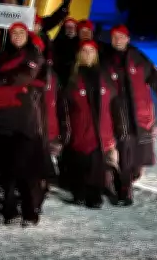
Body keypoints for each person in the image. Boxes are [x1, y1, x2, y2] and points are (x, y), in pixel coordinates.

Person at [101, 25, 157, 205]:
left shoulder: (139, 59)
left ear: (128, 39)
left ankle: (125, 180)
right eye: (114, 37)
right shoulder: (106, 60)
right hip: (117, 114)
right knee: (124, 152)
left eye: (121, 37)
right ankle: (124, 191)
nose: (118, 40)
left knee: (137, 159)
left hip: (139, 115)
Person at [0, 22, 46, 226]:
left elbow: (22, 77)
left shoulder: (33, 55)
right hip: (2, 118)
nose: (17, 36)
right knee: (7, 167)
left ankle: (29, 210)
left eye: (21, 32)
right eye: (13, 33)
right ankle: (9, 209)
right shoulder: (3, 56)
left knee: (24, 168)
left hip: (23, 120)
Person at [58, 41, 118, 208]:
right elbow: (65, 103)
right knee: (79, 161)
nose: (88, 54)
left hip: (100, 129)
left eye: (91, 51)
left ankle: (94, 196)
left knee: (96, 164)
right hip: (79, 127)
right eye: (84, 51)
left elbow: (114, 101)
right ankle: (79, 193)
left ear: (96, 54)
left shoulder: (104, 76)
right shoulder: (72, 77)